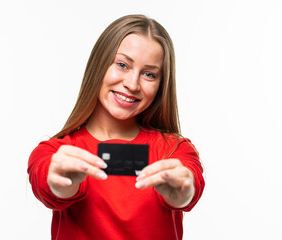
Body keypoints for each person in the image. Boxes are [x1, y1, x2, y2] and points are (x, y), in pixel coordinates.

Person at [28, 14, 204, 240]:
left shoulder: (175, 150)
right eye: (122, 65)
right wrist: (61, 183)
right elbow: (49, 184)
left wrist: (183, 193)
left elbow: (190, 184)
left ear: (161, 85)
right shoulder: (55, 152)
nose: (132, 84)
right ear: (99, 64)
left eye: (149, 74)